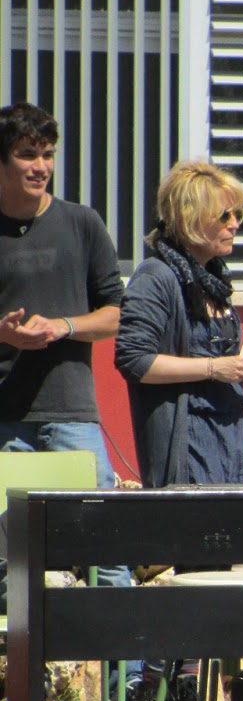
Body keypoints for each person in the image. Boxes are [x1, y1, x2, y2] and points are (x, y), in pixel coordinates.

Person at [114, 159, 243, 701]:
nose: (235, 224)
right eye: (226, 214)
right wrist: (218, 366)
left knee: (213, 569)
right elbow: (134, 359)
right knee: (186, 571)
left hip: (225, 435)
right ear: (192, 218)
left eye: (238, 214)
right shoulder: (156, 277)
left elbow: (214, 364)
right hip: (184, 439)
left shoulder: (213, 278)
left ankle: (186, 695)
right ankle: (146, 700)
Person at [0, 102, 132, 609]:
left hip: (72, 412)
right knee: (7, 554)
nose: (40, 166)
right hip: (6, 417)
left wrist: (64, 326)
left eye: (48, 154)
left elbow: (118, 313)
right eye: (26, 154)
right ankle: (17, 657)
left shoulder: (81, 222)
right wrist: (4, 335)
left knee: (105, 545)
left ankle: (123, 656)